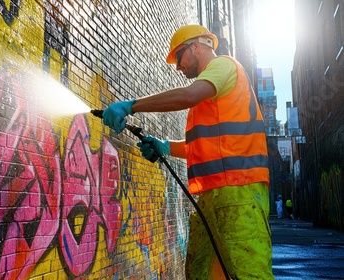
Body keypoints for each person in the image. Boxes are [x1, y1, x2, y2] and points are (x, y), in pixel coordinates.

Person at [101, 24, 273, 279]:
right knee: (201, 273)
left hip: (238, 193)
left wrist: (132, 106)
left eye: (178, 57)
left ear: (196, 46)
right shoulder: (212, 95)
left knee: (249, 274)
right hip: (216, 196)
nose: (178, 67)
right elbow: (204, 147)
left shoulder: (224, 66)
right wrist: (165, 146)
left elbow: (189, 95)